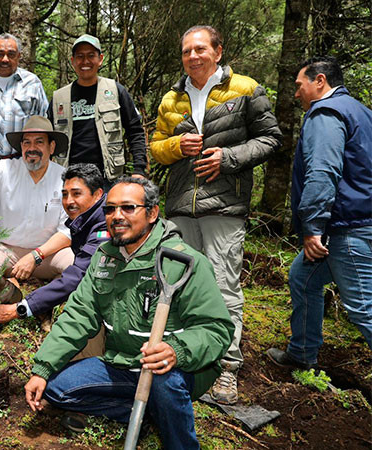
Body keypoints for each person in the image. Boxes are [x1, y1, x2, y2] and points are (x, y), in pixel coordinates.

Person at [24, 177, 233, 449]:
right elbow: (78, 315)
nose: (116, 216)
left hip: (178, 369)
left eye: (128, 208)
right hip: (121, 363)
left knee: (163, 380)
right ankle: (146, 413)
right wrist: (42, 368)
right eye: (110, 209)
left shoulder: (182, 261)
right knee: (55, 387)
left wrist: (176, 351)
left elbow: (217, 329)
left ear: (152, 213)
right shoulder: (105, 257)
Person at [149, 25, 282, 404]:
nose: (193, 56)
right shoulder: (171, 98)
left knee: (223, 286)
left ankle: (226, 368)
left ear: (218, 52)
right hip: (179, 206)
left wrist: (229, 158)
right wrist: (177, 144)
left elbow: (271, 138)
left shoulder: (245, 89)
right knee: (176, 282)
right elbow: (157, 148)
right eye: (187, 50)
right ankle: (183, 356)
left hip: (224, 205)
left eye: (200, 49)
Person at [267, 56, 372, 369]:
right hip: (356, 221)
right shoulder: (362, 112)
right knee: (303, 277)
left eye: (300, 85)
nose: (296, 93)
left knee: (364, 307)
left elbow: (322, 172)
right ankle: (301, 353)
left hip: (348, 227)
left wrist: (313, 226)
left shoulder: (325, 113)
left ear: (320, 81)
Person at [0, 163, 108, 337]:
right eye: (65, 194)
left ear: (97, 194)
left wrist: (18, 310)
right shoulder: (89, 217)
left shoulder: (105, 226)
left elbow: (78, 276)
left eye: (77, 194)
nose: (69, 201)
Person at [0, 115, 74, 306]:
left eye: (39, 142)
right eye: (26, 142)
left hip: (46, 254)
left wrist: (35, 256)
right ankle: (10, 294)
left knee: (75, 267)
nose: (32, 148)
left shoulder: (64, 178)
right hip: (5, 250)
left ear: (52, 147)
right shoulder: (5, 169)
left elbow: (67, 232)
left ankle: (45, 300)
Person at [49, 34, 147, 189]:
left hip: (109, 178)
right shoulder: (59, 98)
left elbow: (135, 131)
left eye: (91, 56)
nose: (85, 61)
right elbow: (48, 140)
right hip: (69, 179)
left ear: (100, 59)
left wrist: (139, 170)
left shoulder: (115, 91)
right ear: (72, 61)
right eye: (80, 56)